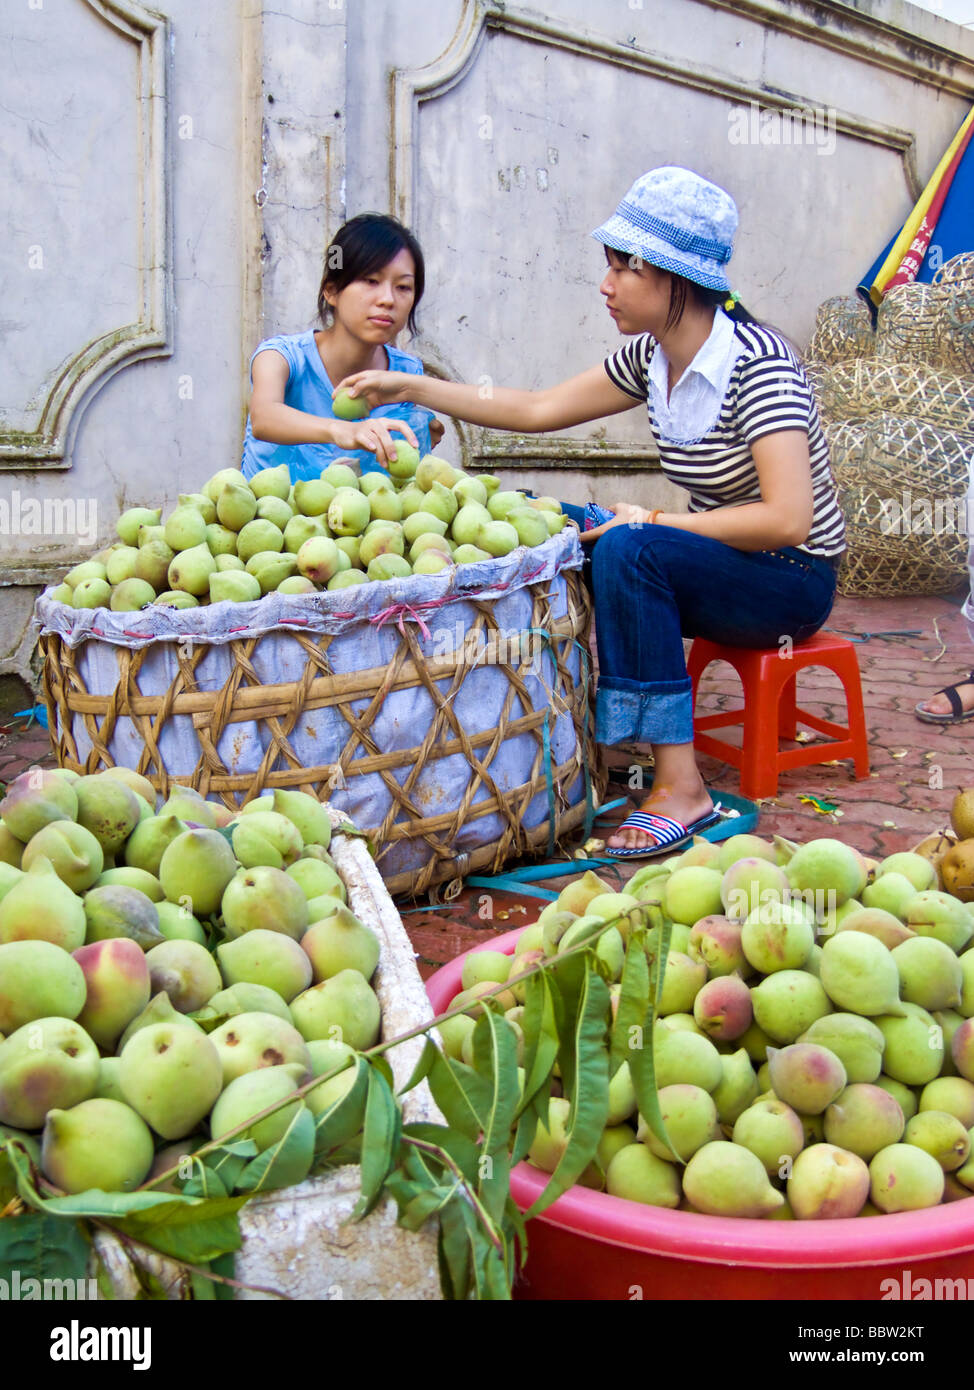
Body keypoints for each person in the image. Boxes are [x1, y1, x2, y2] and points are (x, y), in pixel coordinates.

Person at [335, 167, 846, 857]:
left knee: (634, 545)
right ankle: (597, 742)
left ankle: (680, 784)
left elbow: (788, 520)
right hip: (714, 557)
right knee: (555, 520)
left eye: (623, 268)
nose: (606, 285)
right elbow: (538, 409)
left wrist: (657, 525)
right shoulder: (651, 356)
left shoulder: (757, 366)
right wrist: (411, 385)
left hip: (787, 578)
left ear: (674, 277)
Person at [241, 212, 444, 481]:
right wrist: (344, 431)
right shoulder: (281, 357)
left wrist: (418, 433)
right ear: (332, 291)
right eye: (371, 281)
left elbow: (388, 475)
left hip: (353, 518)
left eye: (403, 287)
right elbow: (264, 418)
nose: (387, 299)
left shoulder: (405, 372)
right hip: (270, 519)